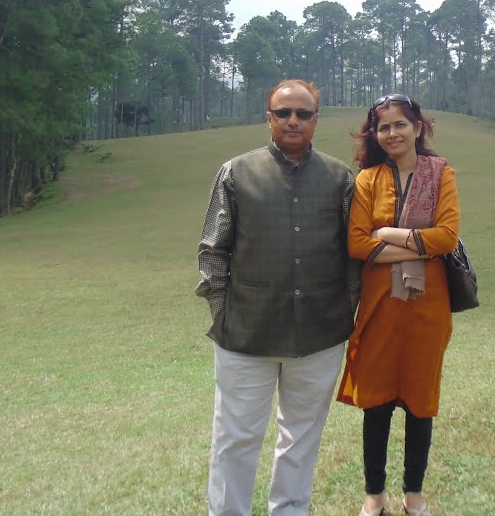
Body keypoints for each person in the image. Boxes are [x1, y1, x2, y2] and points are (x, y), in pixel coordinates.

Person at [196, 79, 357, 516]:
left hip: (320, 335)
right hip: (246, 335)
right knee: (235, 437)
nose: (292, 121)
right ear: (268, 117)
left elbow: (353, 254)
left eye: (303, 114)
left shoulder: (341, 177)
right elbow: (213, 251)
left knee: (302, 437)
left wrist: (347, 310)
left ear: (316, 120)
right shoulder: (236, 172)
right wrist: (224, 313)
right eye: (283, 112)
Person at [337, 94, 461, 516]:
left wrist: (386, 232)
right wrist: (416, 247)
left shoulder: (441, 173)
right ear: (375, 134)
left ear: (418, 128)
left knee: (420, 400)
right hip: (379, 306)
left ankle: (414, 495)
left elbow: (448, 237)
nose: (392, 133)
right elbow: (356, 243)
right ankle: (374, 494)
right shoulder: (368, 180)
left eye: (400, 124)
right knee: (376, 401)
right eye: (383, 126)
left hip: (428, 306)